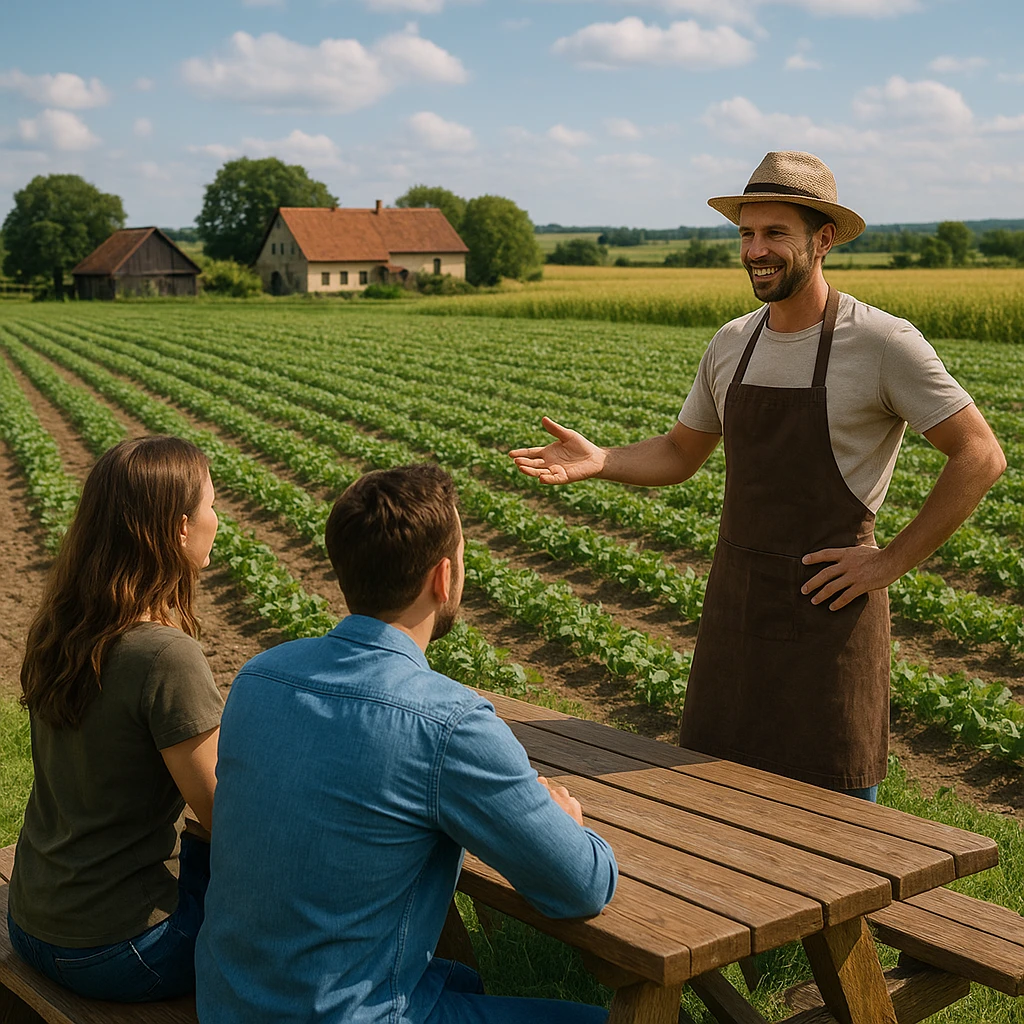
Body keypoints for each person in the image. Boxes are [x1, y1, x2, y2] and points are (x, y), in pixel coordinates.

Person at [510, 151, 1005, 799]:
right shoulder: (732, 342)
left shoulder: (882, 343)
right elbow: (680, 452)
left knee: (837, 828)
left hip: (830, 621)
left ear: (824, 240)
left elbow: (980, 455)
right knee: (715, 806)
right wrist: (603, 459)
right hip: (736, 613)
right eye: (746, 233)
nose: (755, 250)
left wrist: (888, 563)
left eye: (775, 233)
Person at [195, 463, 617, 1024]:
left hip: (228, 1006)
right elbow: (581, 886)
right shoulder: (449, 722)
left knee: (457, 982)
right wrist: (567, 824)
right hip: (346, 1016)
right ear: (443, 578)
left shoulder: (259, 677)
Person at [6, 436, 223, 1002]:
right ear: (180, 528)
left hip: (31, 922)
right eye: (211, 505)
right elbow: (224, 814)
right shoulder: (166, 655)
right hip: (119, 952)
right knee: (294, 933)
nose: (217, 519)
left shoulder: (63, 626)